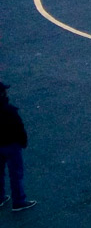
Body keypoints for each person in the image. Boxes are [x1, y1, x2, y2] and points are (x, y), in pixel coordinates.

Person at [0, 82, 35, 212]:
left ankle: (0, 197)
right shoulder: (9, 111)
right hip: (11, 145)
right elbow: (19, 127)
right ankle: (19, 201)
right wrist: (23, 141)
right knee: (16, 174)